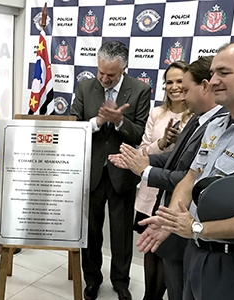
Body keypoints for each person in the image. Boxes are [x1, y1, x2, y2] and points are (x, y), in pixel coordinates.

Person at [138, 39, 234, 300]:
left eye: (224, 72)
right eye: (212, 73)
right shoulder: (217, 125)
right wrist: (172, 220)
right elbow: (191, 177)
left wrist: (199, 229)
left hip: (232, 261)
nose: (214, 80)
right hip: (195, 250)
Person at [110, 56, 227, 300]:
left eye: (185, 88)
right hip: (164, 208)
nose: (181, 95)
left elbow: (190, 177)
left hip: (186, 215)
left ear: (204, 86)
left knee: (180, 286)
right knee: (169, 276)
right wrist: (143, 161)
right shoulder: (198, 118)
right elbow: (174, 158)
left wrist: (145, 170)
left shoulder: (218, 124)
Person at [70, 40, 151, 300]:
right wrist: (98, 121)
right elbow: (74, 126)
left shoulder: (140, 90)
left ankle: (121, 281)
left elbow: (139, 133)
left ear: (124, 69)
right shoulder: (84, 87)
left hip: (122, 173)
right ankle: (92, 280)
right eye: (101, 72)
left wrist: (119, 122)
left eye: (111, 75)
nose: (104, 78)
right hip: (92, 173)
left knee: (121, 233)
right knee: (91, 232)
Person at [132, 60, 192, 300]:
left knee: (167, 252)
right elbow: (144, 151)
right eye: (169, 82)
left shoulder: (197, 114)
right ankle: (149, 296)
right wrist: (163, 142)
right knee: (150, 247)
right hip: (150, 192)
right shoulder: (157, 112)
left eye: (180, 81)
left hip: (175, 195)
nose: (174, 87)